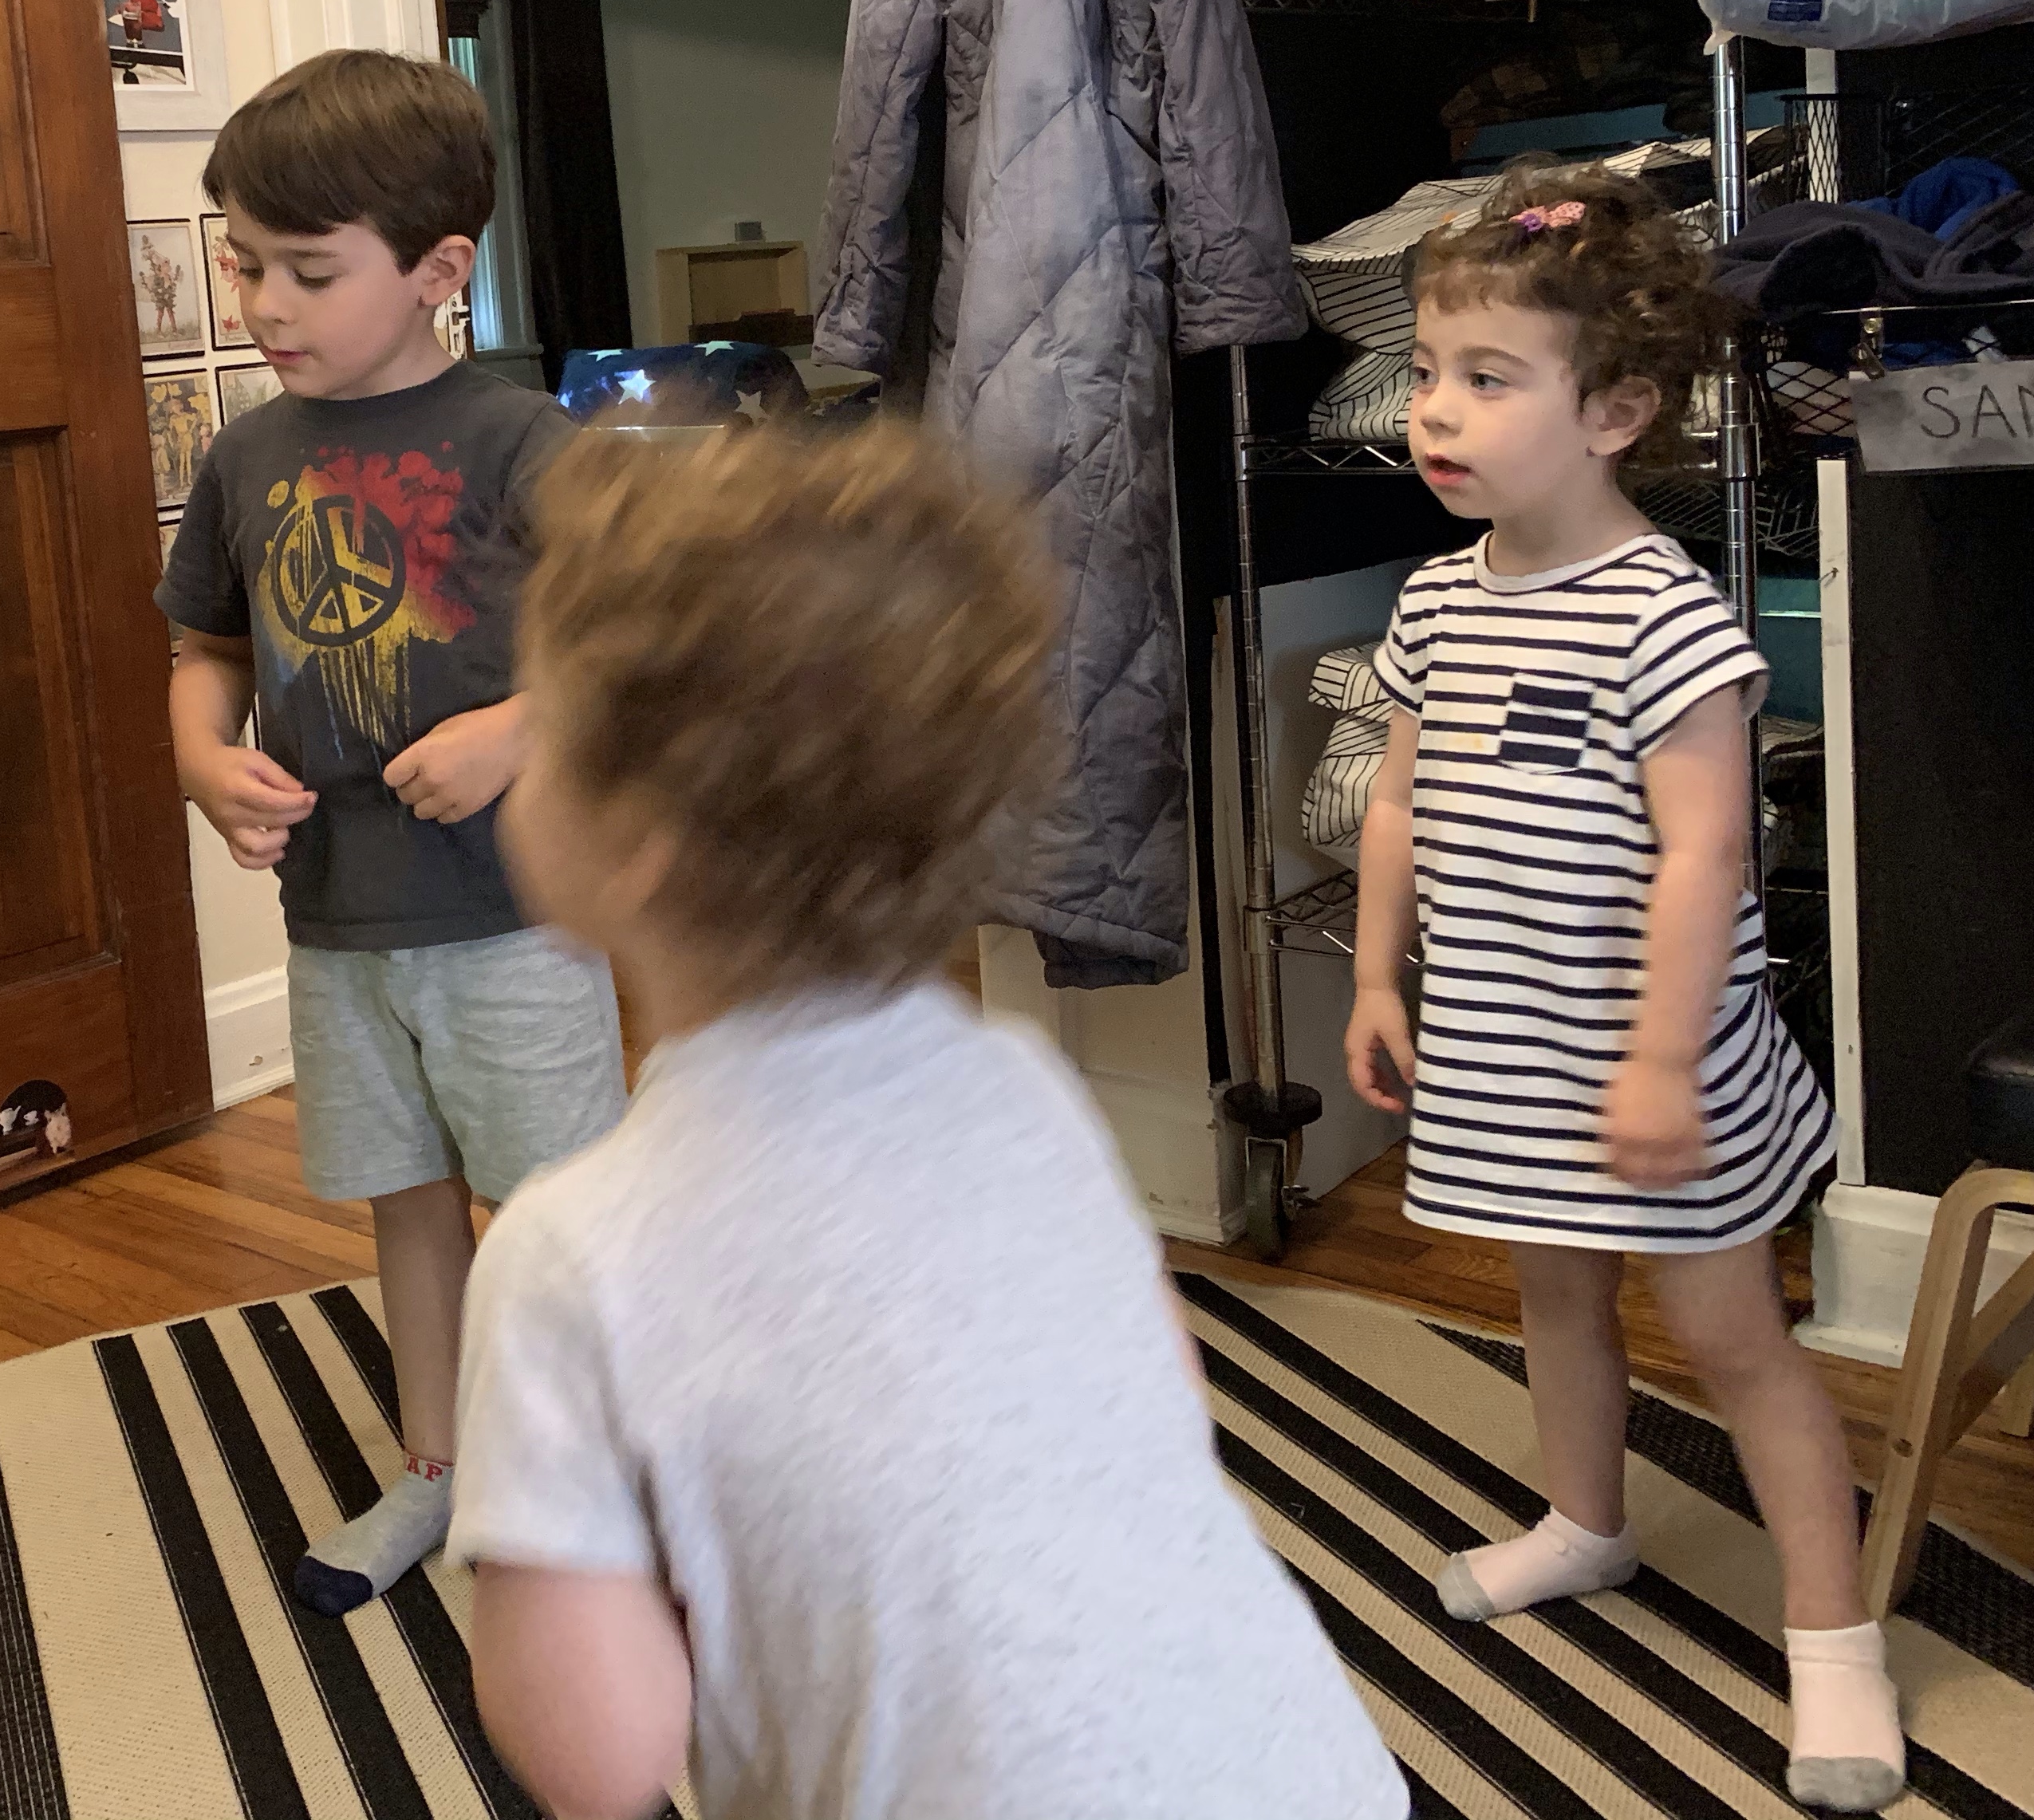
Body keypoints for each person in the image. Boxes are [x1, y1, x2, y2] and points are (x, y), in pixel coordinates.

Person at [452, 421, 1408, 1820]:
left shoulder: (569, 1254)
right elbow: (1163, 1404)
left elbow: (599, 1758)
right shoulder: (1025, 1087)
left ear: (637, 845)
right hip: (1293, 1772)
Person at [1342, 162, 1898, 1814]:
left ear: (1615, 413)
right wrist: (1375, 978)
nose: (1436, 410)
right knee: (1557, 1296)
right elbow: (1396, 798)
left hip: (1660, 1063)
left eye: (1487, 378)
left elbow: (1707, 855)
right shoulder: (1437, 600)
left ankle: (1836, 1643)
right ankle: (1586, 1524)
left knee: (1735, 1343)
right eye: (1427, 372)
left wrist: (1658, 1061)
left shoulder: (1666, 618)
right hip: (1510, 1047)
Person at [159, 47, 627, 1615]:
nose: (263, 306)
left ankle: (603, 1479)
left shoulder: (519, 442)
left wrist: (517, 728)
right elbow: (206, 649)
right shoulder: (244, 458)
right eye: (243, 265)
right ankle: (437, 1466)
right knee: (408, 1200)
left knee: (557, 1217)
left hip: (513, 920)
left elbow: (644, 635)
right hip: (340, 923)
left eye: (307, 271)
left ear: (440, 270)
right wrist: (201, 760)